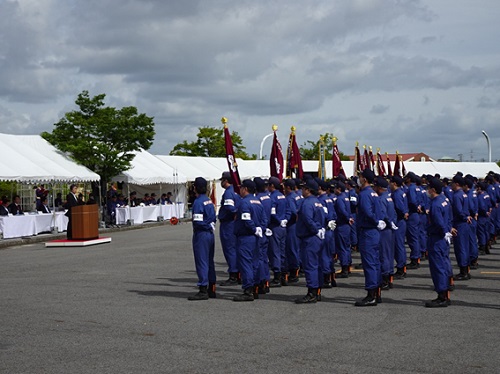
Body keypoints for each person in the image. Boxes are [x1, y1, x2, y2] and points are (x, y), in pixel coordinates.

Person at [354, 169, 384, 307]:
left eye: (360, 177)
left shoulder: (365, 194)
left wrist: (375, 221)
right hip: (374, 232)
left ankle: (371, 294)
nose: (358, 179)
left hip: (368, 231)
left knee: (370, 263)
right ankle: (376, 293)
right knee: (375, 263)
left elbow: (367, 211)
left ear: (364, 179)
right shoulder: (374, 193)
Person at [233, 179, 266, 301]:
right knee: (255, 262)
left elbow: (246, 220)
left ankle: (248, 290)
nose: (240, 190)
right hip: (256, 236)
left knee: (246, 263)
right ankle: (255, 287)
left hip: (246, 237)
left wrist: (253, 229)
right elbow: (264, 219)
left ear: (245, 189)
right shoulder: (258, 202)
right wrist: (260, 229)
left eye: (241, 188)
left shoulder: (244, 203)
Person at [294, 178, 325, 304]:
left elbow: (307, 219)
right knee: (317, 265)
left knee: (310, 265)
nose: (302, 190)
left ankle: (311, 292)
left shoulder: (307, 203)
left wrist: (315, 229)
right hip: (317, 236)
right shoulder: (318, 202)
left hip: (310, 237)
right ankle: (317, 291)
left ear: (308, 190)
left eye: (303, 188)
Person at [188, 177, 217, 301]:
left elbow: (199, 222)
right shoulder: (209, 200)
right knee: (209, 261)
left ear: (195, 188)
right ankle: (212, 287)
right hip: (210, 233)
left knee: (202, 261)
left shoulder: (198, 202)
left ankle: (203, 288)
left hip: (201, 234)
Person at [425, 178, 452, 307]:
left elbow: (438, 221)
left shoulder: (435, 204)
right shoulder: (444, 200)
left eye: (429, 188)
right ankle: (445, 293)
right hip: (443, 237)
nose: (427, 191)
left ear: (433, 190)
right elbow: (448, 218)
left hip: (437, 238)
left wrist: (444, 231)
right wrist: (448, 230)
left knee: (438, 267)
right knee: (444, 264)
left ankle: (441, 296)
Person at [218, 172, 241, 286]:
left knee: (229, 249)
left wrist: (236, 213)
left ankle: (233, 274)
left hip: (228, 223)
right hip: (234, 223)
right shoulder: (237, 190)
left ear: (226, 181)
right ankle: (238, 273)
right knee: (235, 249)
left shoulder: (228, 192)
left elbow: (229, 207)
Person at [267, 176, 289, 287]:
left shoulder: (273, 197)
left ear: (272, 186)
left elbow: (272, 213)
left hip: (275, 226)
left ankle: (277, 276)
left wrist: (279, 220)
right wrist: (285, 220)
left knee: (275, 251)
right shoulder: (283, 196)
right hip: (283, 227)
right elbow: (289, 210)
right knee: (282, 250)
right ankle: (283, 274)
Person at [451, 175, 472, 280]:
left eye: (453, 183)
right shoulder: (464, 194)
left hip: (459, 223)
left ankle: (463, 271)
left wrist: (464, 217)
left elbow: (458, 211)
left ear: (457, 184)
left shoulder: (456, 196)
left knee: (460, 248)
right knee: (465, 247)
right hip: (465, 223)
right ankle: (466, 270)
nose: (451, 185)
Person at [390, 175, 409, 279]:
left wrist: (403, 213)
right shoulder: (401, 192)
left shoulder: (396, 194)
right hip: (402, 221)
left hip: (399, 221)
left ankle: (401, 268)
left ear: (395, 184)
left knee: (398, 245)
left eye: (391, 182)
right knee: (400, 244)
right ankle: (402, 266)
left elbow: (399, 208)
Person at [333, 180, 353, 278]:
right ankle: (348, 265)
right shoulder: (345, 197)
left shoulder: (340, 199)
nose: (334, 190)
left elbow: (341, 211)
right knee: (346, 246)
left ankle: (344, 268)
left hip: (341, 225)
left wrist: (347, 218)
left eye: (335, 188)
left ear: (339, 189)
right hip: (346, 225)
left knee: (342, 248)